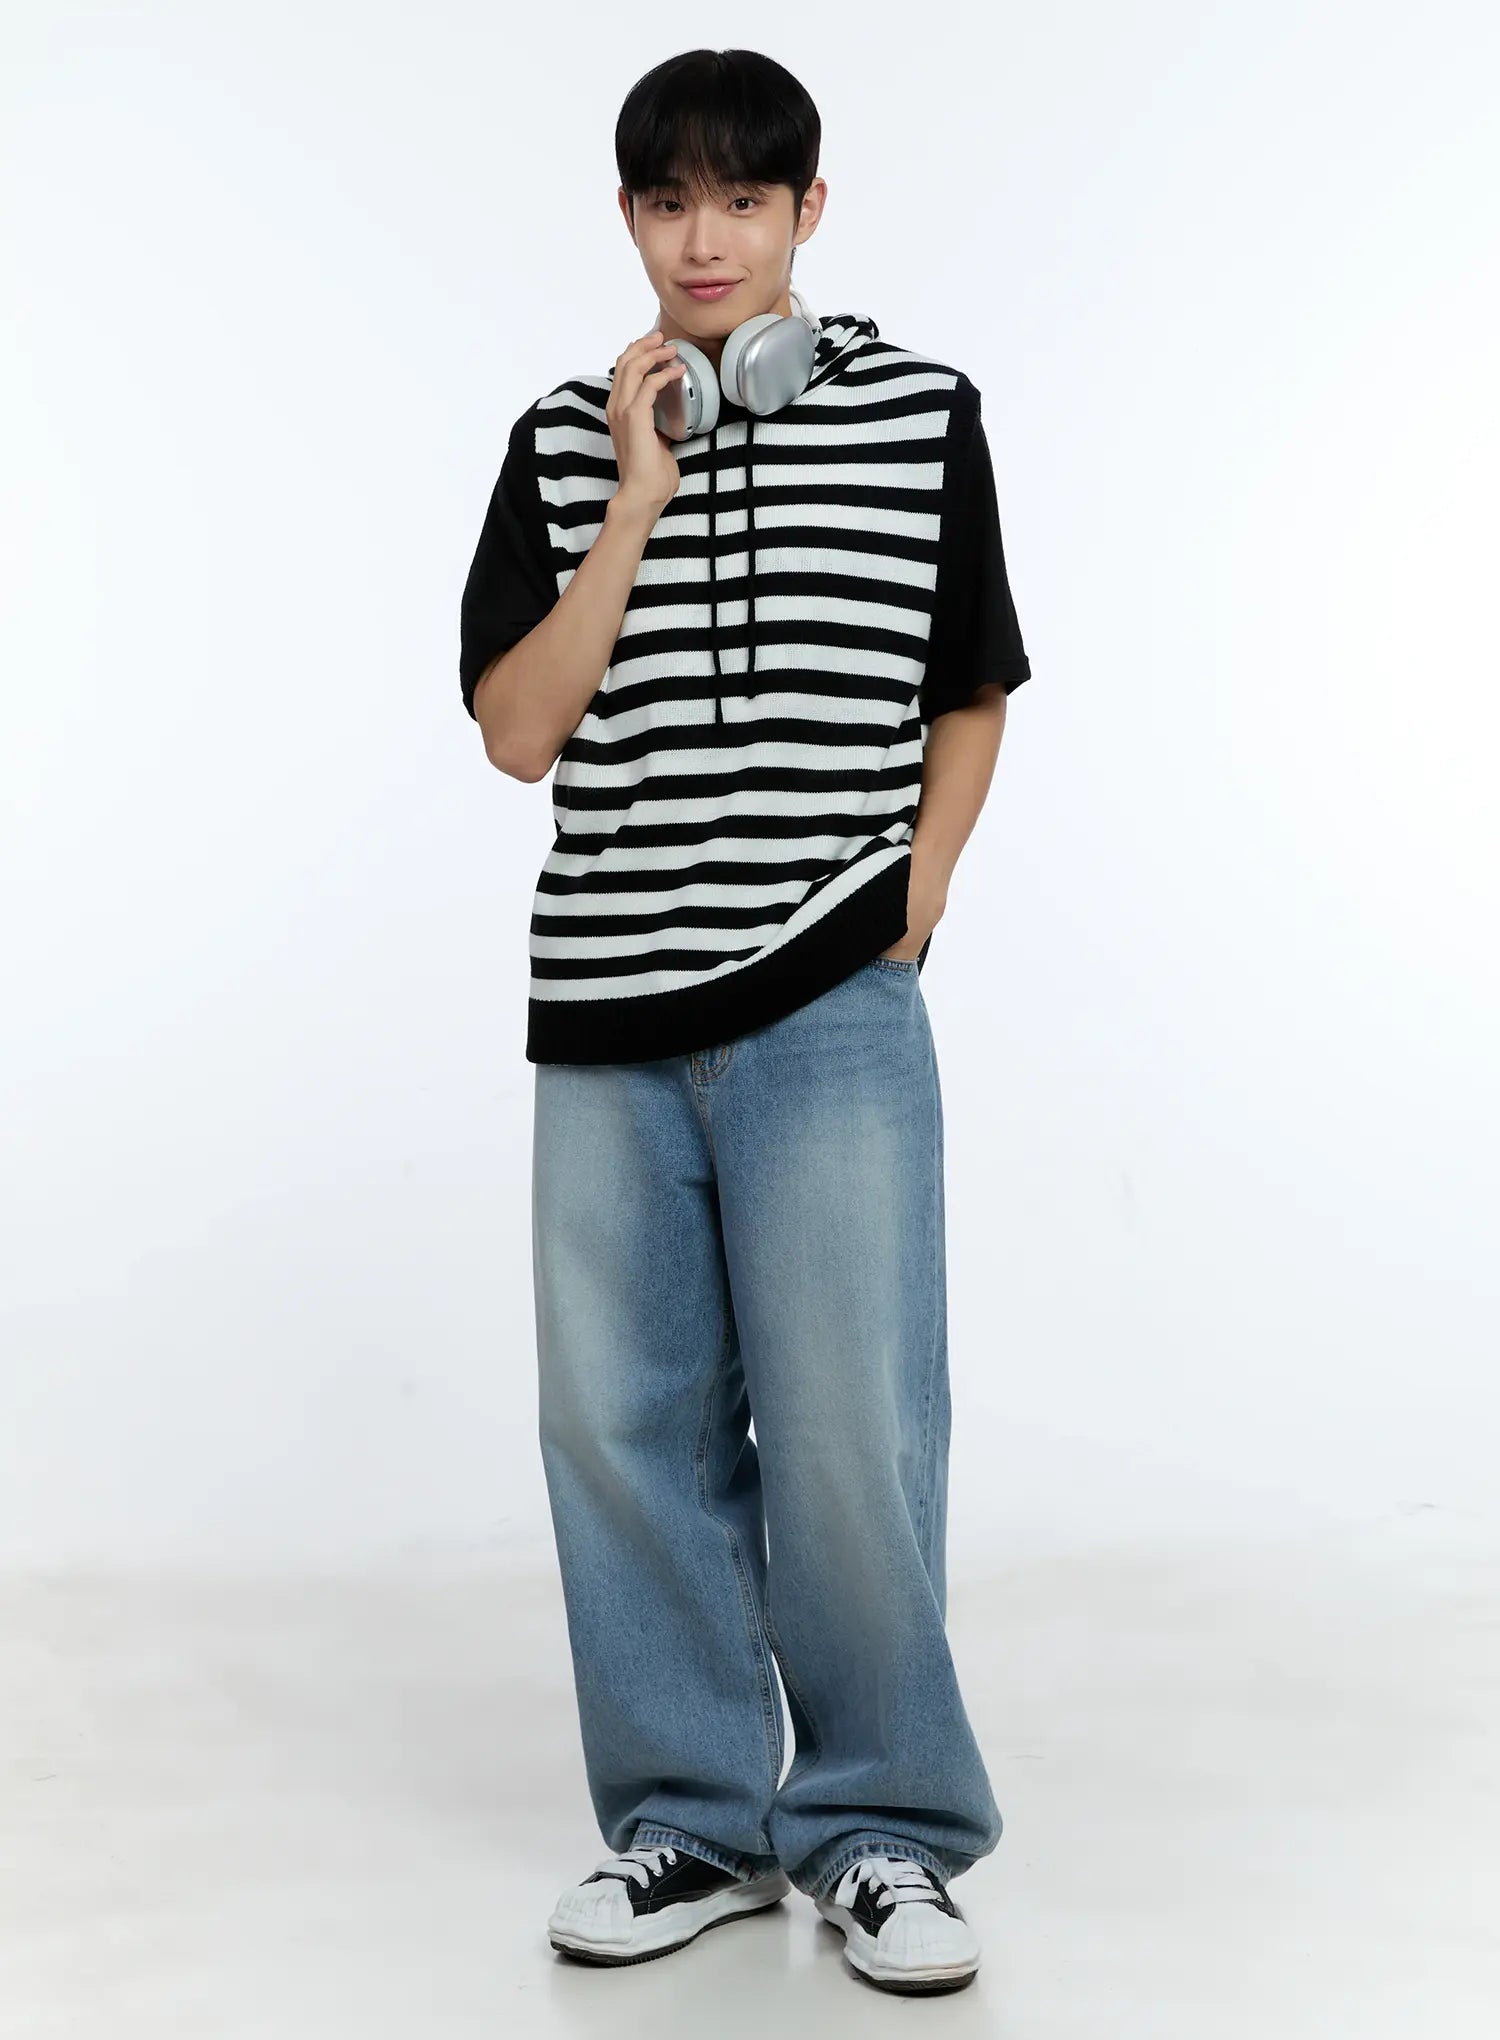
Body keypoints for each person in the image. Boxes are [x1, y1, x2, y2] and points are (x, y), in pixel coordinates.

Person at [458, 47, 1031, 1997]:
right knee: (622, 1431)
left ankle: (882, 1833)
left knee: (855, 1428)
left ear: (806, 213)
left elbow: (970, 683)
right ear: (630, 218)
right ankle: (691, 1824)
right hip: (607, 1019)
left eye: (743, 201)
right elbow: (519, 733)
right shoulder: (559, 441)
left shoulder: (924, 416)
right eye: (669, 202)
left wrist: (917, 894)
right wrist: (637, 497)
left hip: (828, 1004)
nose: (705, 239)